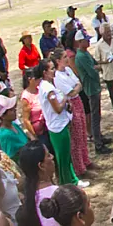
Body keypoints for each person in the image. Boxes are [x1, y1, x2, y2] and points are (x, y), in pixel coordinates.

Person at [37, 58, 83, 187]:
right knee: (62, 157)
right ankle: (66, 183)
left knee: (67, 155)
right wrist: (65, 99)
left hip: (61, 123)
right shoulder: (48, 89)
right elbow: (57, 108)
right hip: (58, 127)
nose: (54, 71)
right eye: (51, 69)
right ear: (45, 72)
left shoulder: (49, 85)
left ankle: (72, 179)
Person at [54, 46, 97, 174]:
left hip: (78, 101)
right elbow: (71, 92)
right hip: (71, 104)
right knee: (76, 136)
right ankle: (80, 168)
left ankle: (86, 160)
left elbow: (78, 83)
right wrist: (76, 88)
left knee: (83, 131)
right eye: (64, 57)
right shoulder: (57, 77)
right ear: (58, 61)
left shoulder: (68, 70)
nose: (67, 59)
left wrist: (76, 88)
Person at [74, 32, 113, 156]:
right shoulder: (81, 56)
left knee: (97, 115)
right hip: (91, 89)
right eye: (86, 40)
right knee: (95, 117)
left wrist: (98, 66)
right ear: (80, 42)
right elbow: (92, 71)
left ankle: (99, 137)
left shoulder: (85, 53)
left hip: (94, 87)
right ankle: (98, 144)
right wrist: (99, 68)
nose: (88, 41)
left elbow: (95, 63)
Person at [21, 66, 55, 157]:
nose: (39, 80)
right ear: (30, 80)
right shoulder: (26, 97)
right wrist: (34, 136)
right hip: (40, 132)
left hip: (49, 125)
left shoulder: (40, 89)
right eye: (36, 78)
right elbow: (26, 120)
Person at [0, 95, 31, 162]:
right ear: (3, 116)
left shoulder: (13, 124)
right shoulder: (6, 135)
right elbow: (13, 157)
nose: (15, 110)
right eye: (10, 110)